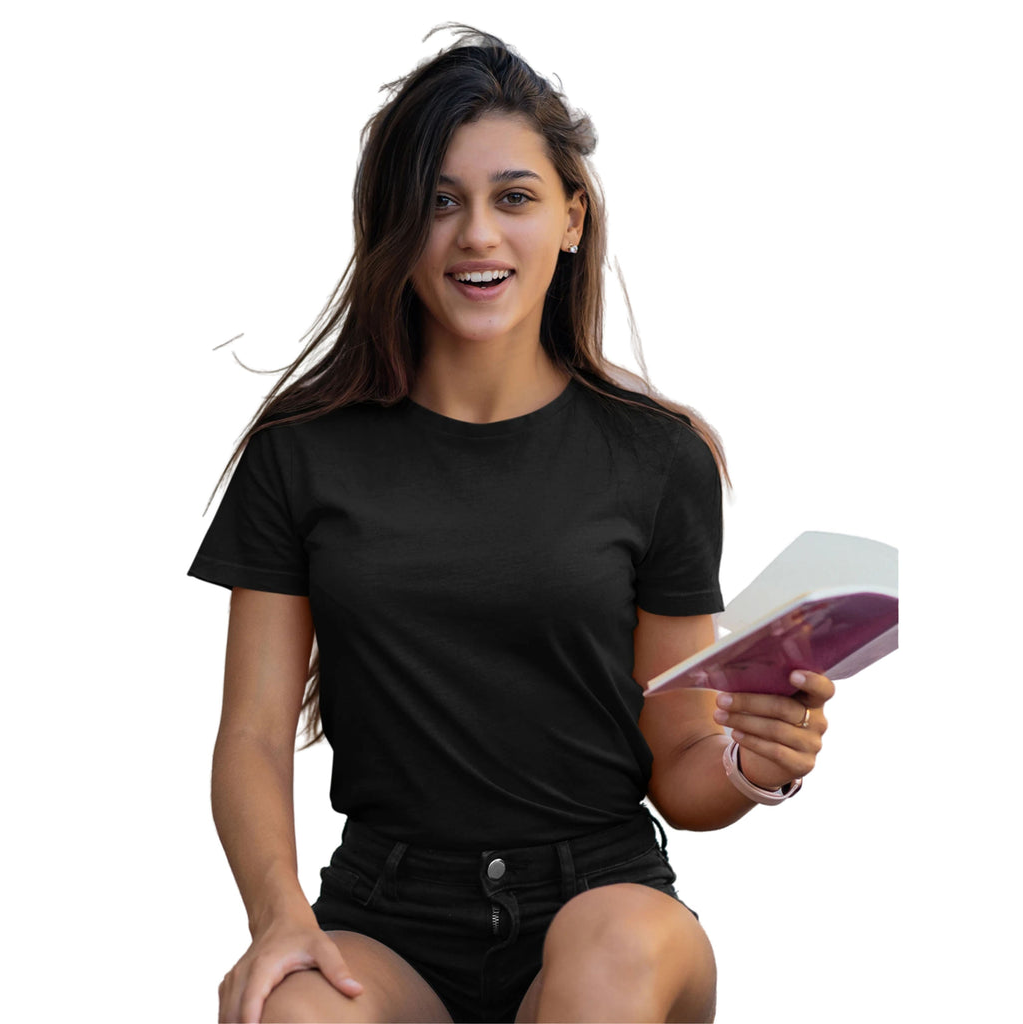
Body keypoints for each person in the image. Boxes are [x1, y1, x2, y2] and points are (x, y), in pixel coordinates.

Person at [189, 27, 835, 1024]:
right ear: (393, 228)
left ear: (572, 219)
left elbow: (680, 766)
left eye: (513, 198)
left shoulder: (657, 458)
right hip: (385, 914)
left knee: (613, 950)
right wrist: (278, 918)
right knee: (294, 1007)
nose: (476, 233)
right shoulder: (303, 450)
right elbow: (253, 734)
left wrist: (754, 762)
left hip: (602, 904)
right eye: (439, 201)